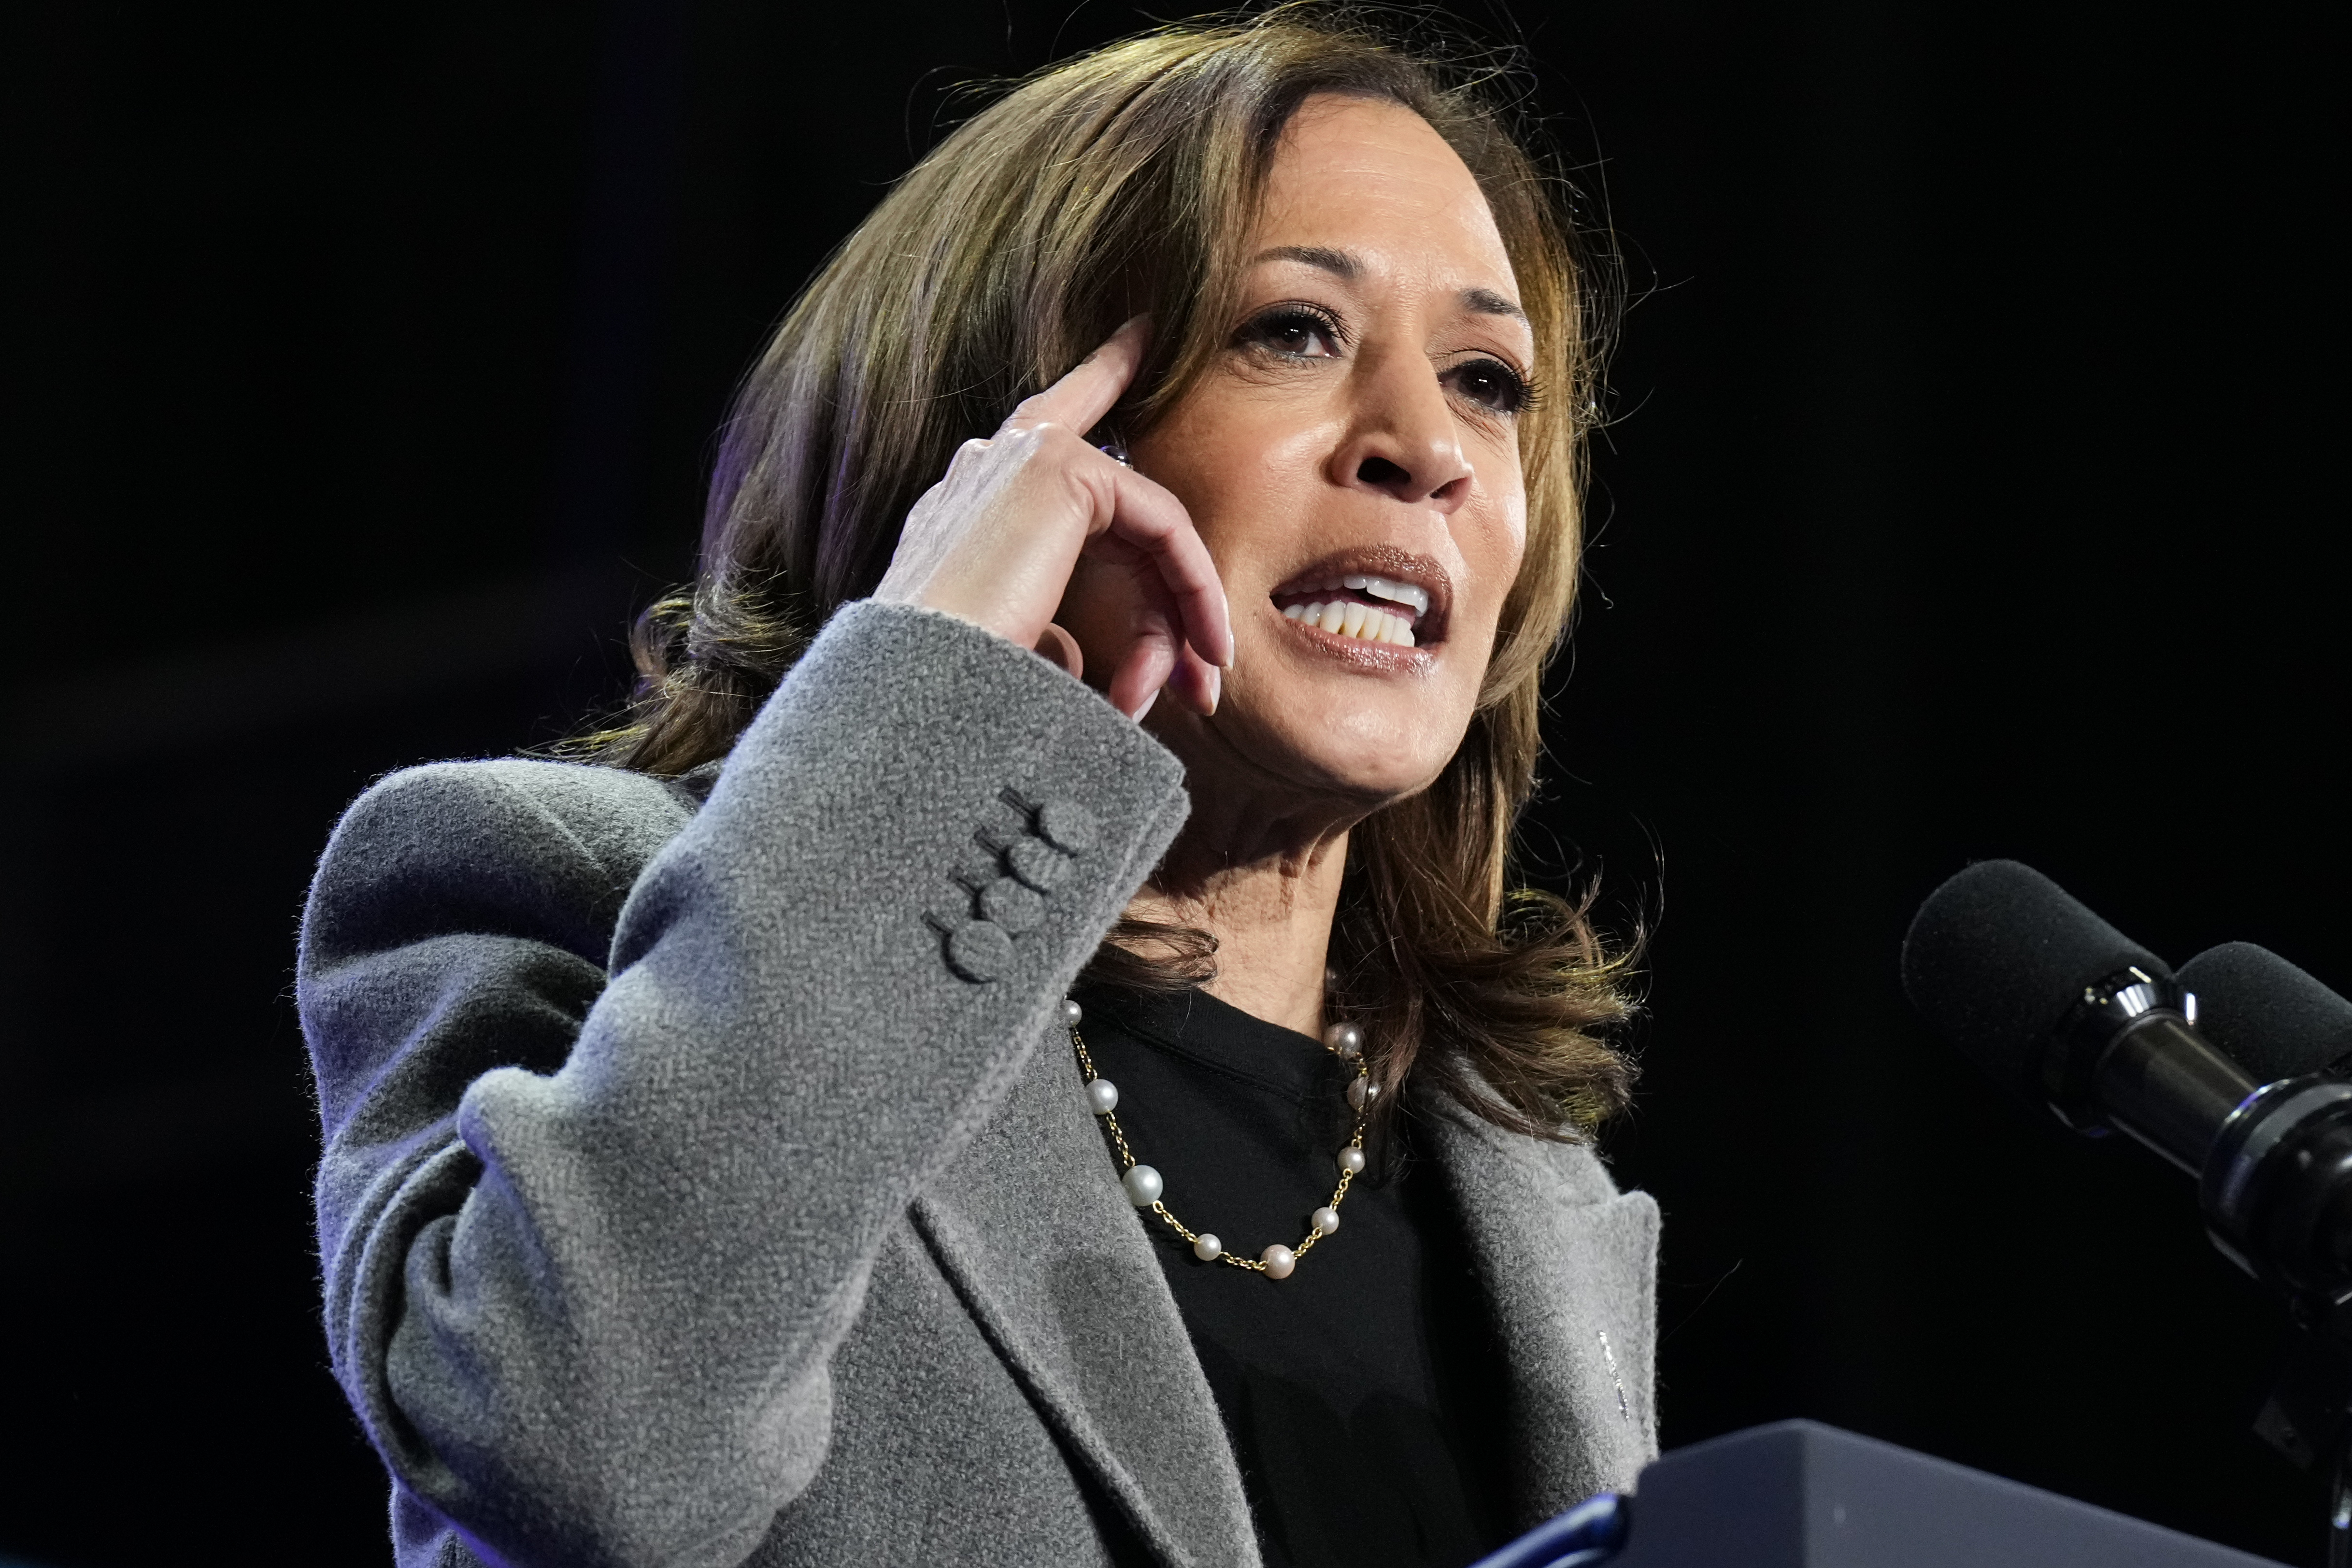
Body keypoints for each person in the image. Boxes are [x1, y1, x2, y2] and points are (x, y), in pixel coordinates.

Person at [298, 11, 1656, 1567]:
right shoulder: (548, 897)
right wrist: (932, 674)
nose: (1429, 447)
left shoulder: (1526, 1189)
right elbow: (595, 1458)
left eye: (1488, 379)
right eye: (1289, 331)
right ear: (1013, 432)